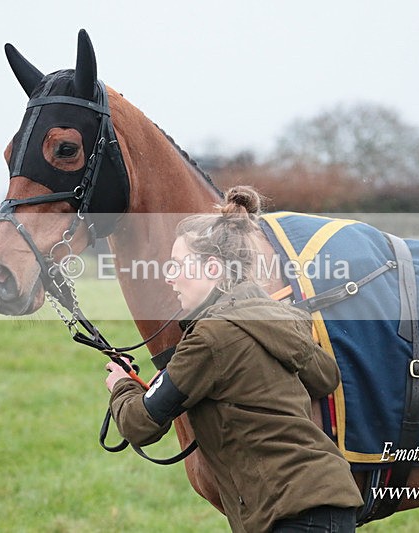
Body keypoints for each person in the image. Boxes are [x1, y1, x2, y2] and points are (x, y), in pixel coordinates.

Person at [104, 186, 363, 533]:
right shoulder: (277, 317)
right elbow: (324, 377)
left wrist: (121, 385)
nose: (168, 277)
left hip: (289, 515)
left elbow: (140, 424)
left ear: (212, 268)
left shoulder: (211, 337)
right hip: (329, 504)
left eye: (177, 265)